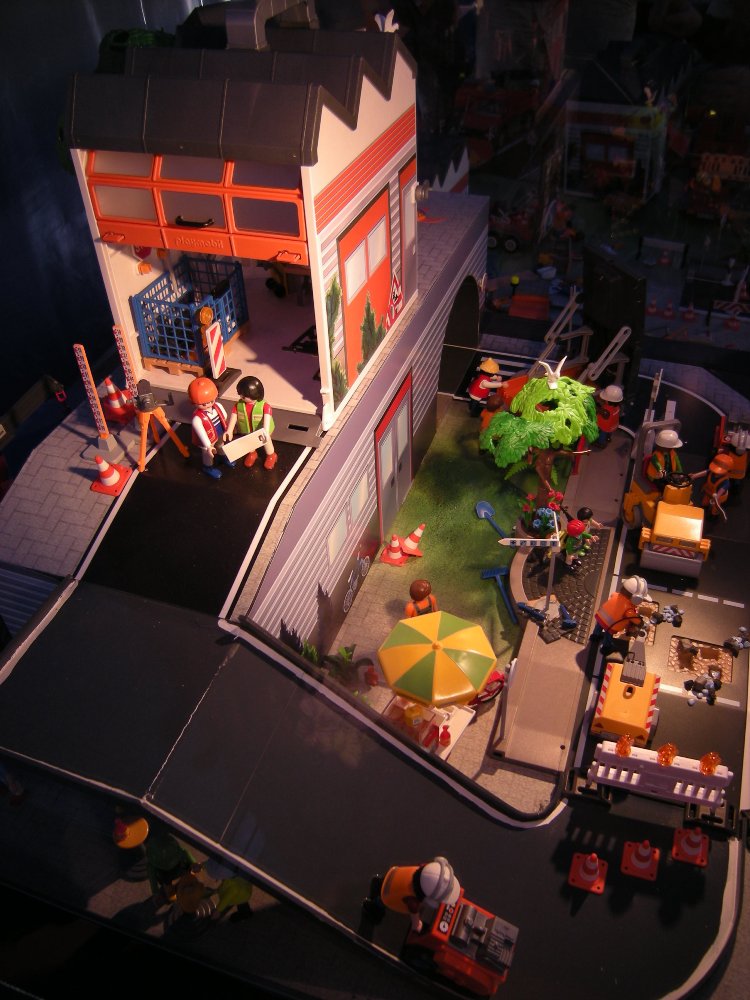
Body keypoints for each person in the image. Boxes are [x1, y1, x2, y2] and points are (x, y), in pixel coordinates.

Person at [364, 856, 461, 933]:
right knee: (382, 901)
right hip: (389, 894)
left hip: (393, 874)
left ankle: (379, 881)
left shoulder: (424, 868)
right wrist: (417, 926)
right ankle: (374, 904)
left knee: (385, 883)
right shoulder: (413, 903)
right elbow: (415, 920)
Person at [225, 375, 278, 470]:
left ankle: (271, 455)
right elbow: (234, 416)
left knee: (266, 442)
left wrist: (265, 431)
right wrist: (229, 430)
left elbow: (267, 418)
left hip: (262, 430)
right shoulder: (238, 405)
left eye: (244, 396)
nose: (241, 397)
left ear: (255, 394)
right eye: (240, 395)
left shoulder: (265, 406)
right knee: (249, 442)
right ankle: (252, 453)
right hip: (247, 429)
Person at [189, 376, 235, 480]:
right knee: (208, 454)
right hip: (208, 439)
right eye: (204, 404)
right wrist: (208, 446)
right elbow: (201, 433)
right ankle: (208, 467)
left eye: (211, 401)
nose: (209, 405)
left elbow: (225, 416)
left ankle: (223, 456)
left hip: (220, 432)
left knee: (221, 445)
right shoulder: (197, 418)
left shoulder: (218, 406)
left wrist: (228, 429)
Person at [591, 576, 651, 654]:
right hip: (610, 625)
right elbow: (632, 617)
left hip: (600, 616)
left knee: (598, 627)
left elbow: (612, 596)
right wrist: (641, 623)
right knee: (608, 636)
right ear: (636, 599)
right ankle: (606, 648)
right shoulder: (628, 609)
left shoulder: (616, 595)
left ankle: (594, 637)